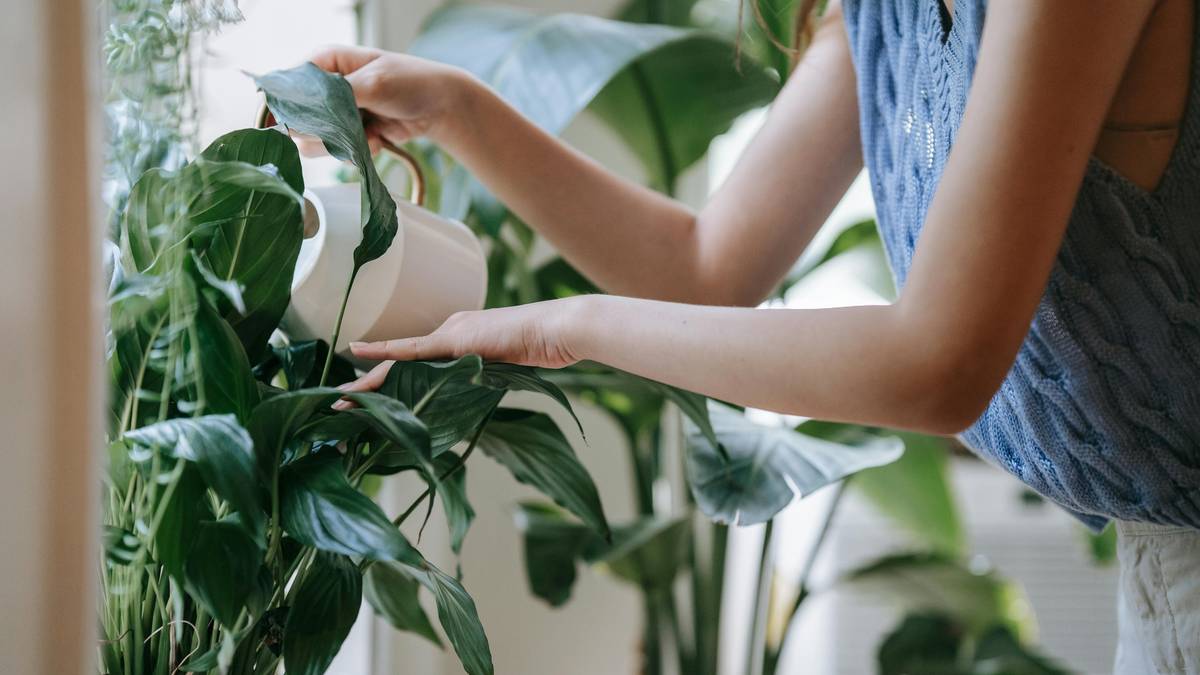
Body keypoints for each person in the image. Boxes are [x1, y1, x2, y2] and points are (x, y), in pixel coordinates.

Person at [317, 1, 1199, 670]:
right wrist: (459, 111)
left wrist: (563, 327)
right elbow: (703, 267)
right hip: (1156, 570)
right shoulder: (879, 17)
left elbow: (940, 363)